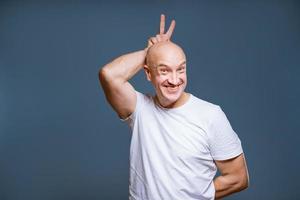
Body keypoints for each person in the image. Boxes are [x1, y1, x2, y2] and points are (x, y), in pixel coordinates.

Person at [99, 14, 249, 200]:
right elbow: (109, 75)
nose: (174, 80)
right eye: (164, 70)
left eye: (180, 69)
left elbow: (238, 178)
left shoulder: (211, 115)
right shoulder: (140, 109)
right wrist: (150, 51)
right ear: (148, 73)